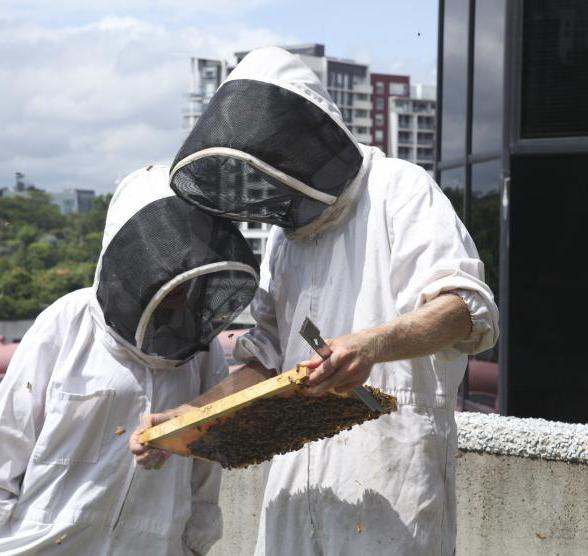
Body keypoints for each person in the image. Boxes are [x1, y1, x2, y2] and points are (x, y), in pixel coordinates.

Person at [134, 47, 500, 555]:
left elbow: (464, 310)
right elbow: (265, 359)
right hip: (296, 484)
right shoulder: (287, 240)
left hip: (389, 480)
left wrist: (371, 345)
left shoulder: (401, 189)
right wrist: (187, 416)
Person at [0, 165, 260, 555]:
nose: (179, 278)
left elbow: (206, 464)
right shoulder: (66, 321)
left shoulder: (201, 347)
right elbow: (5, 440)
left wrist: (193, 544)